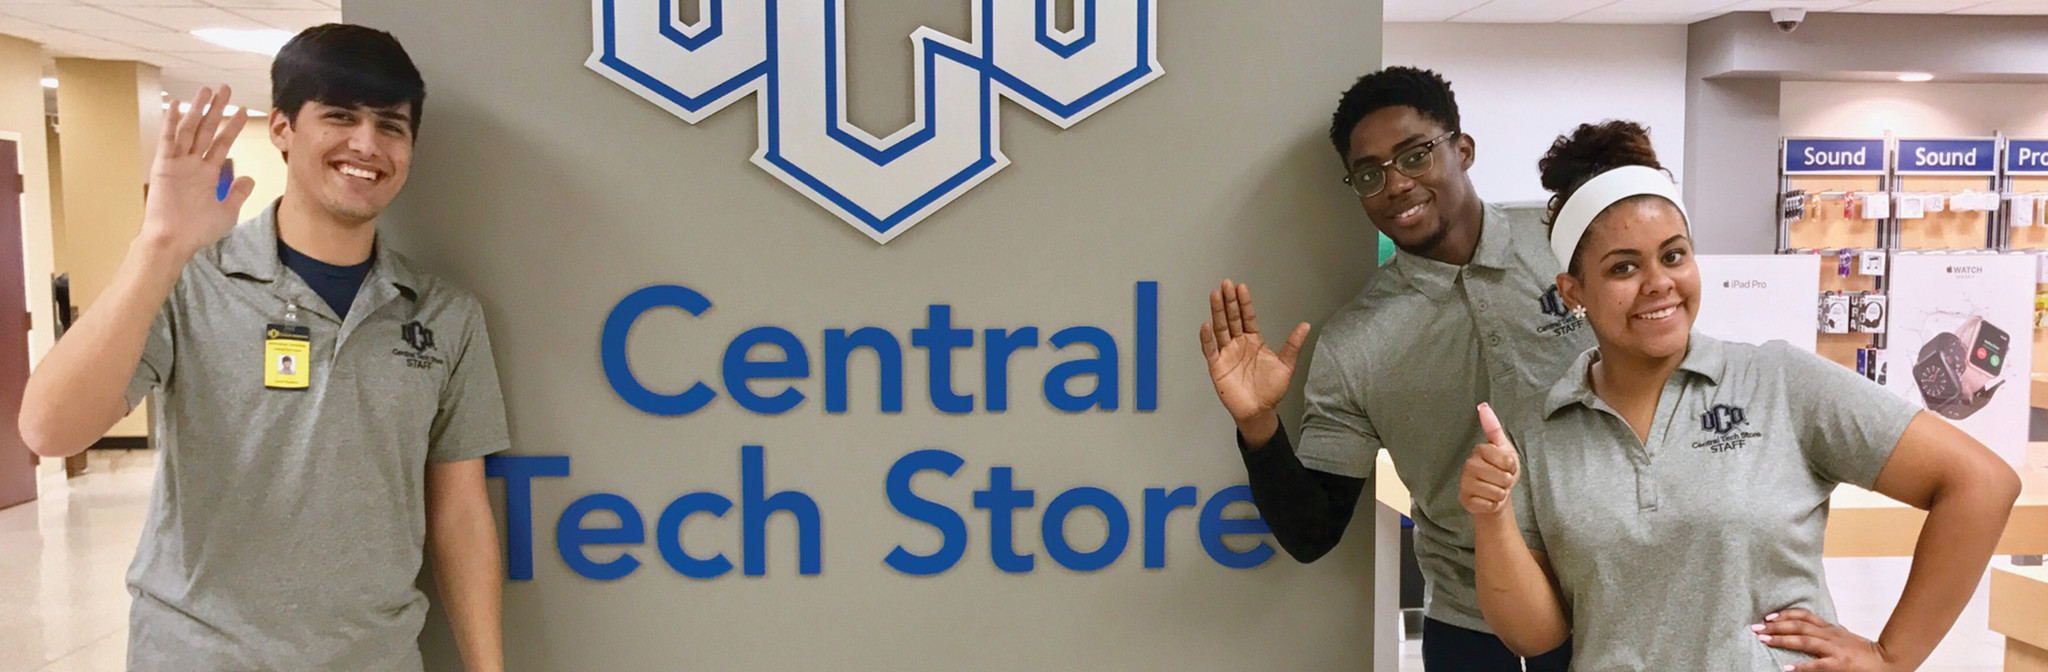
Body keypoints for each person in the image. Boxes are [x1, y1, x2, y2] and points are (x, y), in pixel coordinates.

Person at [20, 24, 510, 672]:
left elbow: (461, 514)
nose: (367, 143)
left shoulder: (445, 315)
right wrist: (159, 248)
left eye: (391, 125)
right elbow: (48, 430)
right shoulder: (188, 282)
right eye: (340, 115)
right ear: (281, 127)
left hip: (375, 659)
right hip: (199, 657)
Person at [1460, 120, 2021, 670]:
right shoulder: (1543, 427)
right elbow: (1537, 635)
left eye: (1674, 255)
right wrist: (1492, 517)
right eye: (1623, 267)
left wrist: (1891, 656)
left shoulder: (1778, 383)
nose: (1658, 282)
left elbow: (1981, 483)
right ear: (1573, 292)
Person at [1198, 66, 1586, 670]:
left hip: (1625, 595)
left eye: (1415, 155)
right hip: (1477, 630)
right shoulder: (1356, 343)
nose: (1396, 185)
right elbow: (1311, 532)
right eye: (1371, 174)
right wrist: (1258, 424)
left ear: (1463, 149)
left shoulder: (1568, 242)